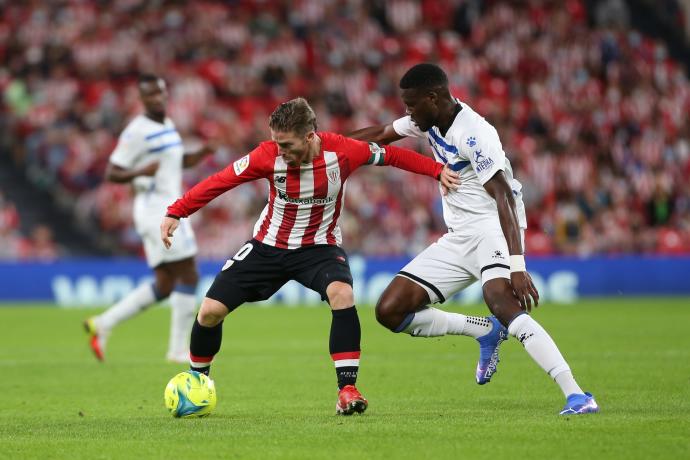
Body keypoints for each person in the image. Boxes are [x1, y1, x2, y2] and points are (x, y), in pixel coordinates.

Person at [159, 97, 458, 415]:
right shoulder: (266, 155)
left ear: (309, 136)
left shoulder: (343, 151)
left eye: (286, 145)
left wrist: (437, 170)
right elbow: (221, 181)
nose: (281, 151)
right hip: (268, 246)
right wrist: (177, 211)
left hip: (319, 248)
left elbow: (392, 155)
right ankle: (198, 383)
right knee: (208, 312)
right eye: (276, 143)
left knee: (342, 294)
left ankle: (347, 390)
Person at [349, 63, 598, 415]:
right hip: (460, 234)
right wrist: (324, 145)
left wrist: (517, 265)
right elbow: (381, 133)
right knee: (390, 309)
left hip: (493, 226)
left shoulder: (475, 133)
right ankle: (483, 331)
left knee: (500, 299)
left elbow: (504, 197)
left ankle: (577, 394)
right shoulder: (428, 119)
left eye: (411, 105)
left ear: (432, 98)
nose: (407, 113)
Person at [84, 74, 215, 363]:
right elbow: (112, 172)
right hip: (157, 210)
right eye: (150, 95)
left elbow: (175, 161)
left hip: (167, 206)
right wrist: (139, 173)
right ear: (142, 99)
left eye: (160, 93)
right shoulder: (137, 131)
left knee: (166, 283)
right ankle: (178, 349)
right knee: (189, 273)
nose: (157, 98)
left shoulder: (167, 125)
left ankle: (103, 324)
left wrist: (202, 153)